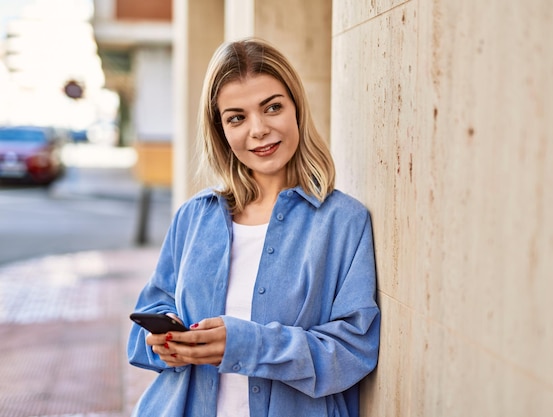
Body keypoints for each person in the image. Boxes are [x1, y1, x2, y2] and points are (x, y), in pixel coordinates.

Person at [127, 38, 380, 417]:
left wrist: (247, 344)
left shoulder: (343, 222)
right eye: (237, 117)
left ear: (296, 108)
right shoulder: (193, 217)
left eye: (272, 107)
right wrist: (163, 341)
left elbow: (354, 351)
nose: (258, 130)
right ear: (222, 131)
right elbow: (145, 323)